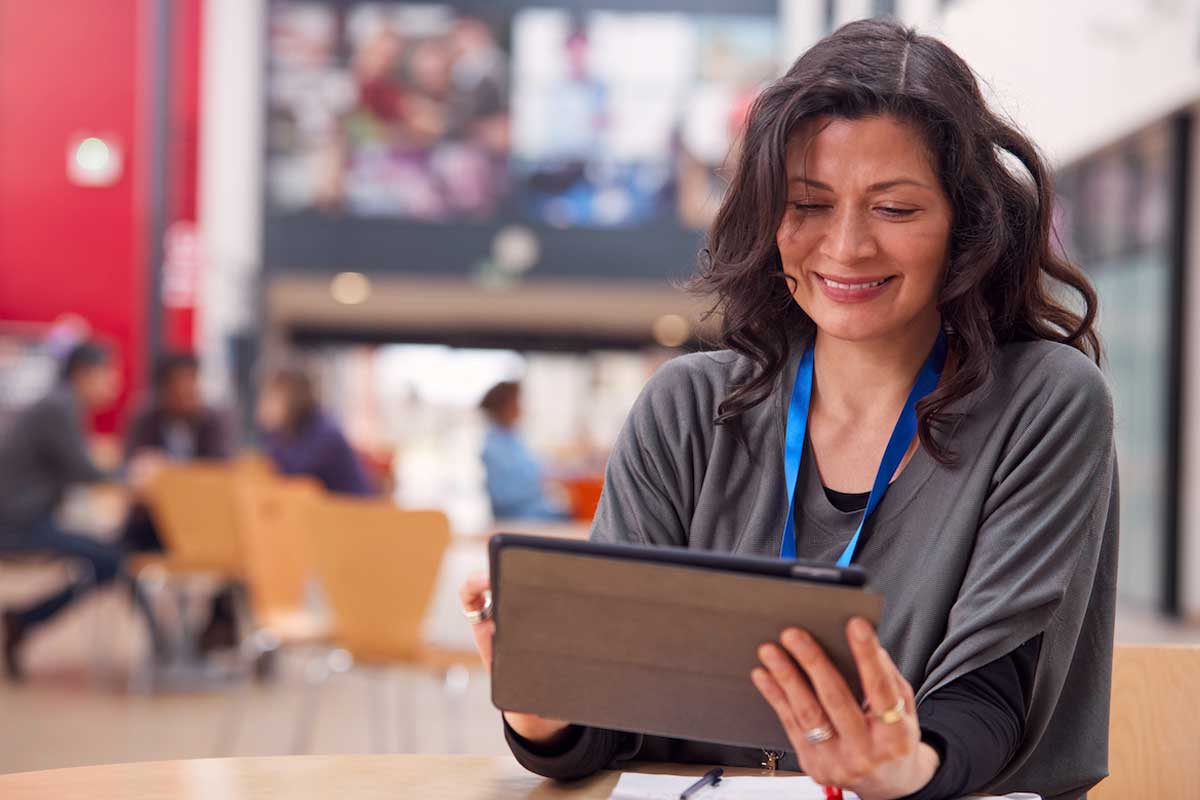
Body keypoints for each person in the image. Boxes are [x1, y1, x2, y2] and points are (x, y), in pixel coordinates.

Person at [460, 19, 1116, 800]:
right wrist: (547, 712)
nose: (845, 247)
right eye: (808, 204)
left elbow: (994, 696)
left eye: (895, 210)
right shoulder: (687, 408)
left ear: (966, 226)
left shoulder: (1045, 401)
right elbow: (611, 718)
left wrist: (907, 768)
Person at [0, 341, 165, 680]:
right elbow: (83, 471)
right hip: (18, 523)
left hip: (30, 517)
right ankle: (162, 646)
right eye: (107, 373)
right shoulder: (59, 406)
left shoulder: (61, 405)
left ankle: (24, 620)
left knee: (112, 559)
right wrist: (132, 475)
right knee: (115, 560)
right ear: (82, 374)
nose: (112, 382)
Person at [119, 352, 237, 652]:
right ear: (163, 389)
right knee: (116, 558)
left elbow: (220, 474)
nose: (187, 392)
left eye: (192, 382)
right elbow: (132, 470)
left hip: (203, 526)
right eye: (178, 385)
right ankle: (160, 637)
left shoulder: (214, 419)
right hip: (151, 525)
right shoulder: (145, 419)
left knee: (242, 556)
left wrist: (170, 475)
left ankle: (215, 633)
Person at [257, 365, 375, 496]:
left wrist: (272, 432)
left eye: (272, 398)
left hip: (357, 509)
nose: (264, 404)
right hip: (331, 509)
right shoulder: (294, 432)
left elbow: (298, 474)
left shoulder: (326, 432)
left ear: (293, 399)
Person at [479, 381, 570, 522]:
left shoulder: (514, 439)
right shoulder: (493, 448)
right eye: (517, 401)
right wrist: (539, 486)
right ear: (505, 407)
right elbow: (502, 497)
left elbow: (535, 469)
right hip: (518, 519)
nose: (521, 407)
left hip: (534, 512)